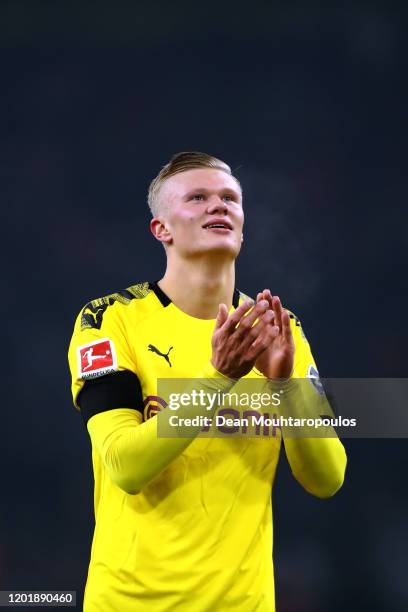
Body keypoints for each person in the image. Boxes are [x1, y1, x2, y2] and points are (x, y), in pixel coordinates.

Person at [68, 151, 347, 611]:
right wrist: (219, 377)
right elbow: (125, 467)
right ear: (162, 229)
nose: (218, 206)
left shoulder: (281, 330)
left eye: (230, 199)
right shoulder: (109, 320)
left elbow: (328, 478)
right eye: (198, 198)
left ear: (242, 226)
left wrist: (284, 389)